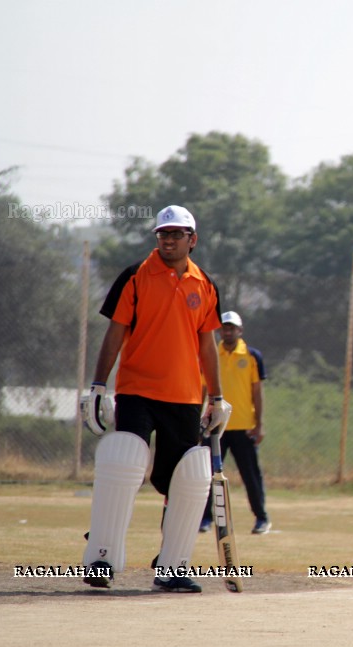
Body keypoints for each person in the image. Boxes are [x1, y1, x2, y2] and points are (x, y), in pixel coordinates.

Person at [80, 205, 230, 594]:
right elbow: (115, 332)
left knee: (185, 478)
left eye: (177, 234)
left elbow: (207, 345)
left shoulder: (204, 284)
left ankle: (172, 566)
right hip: (137, 389)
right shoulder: (135, 276)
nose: (168, 239)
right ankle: (102, 555)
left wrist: (216, 397)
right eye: (163, 233)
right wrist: (98, 385)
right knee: (123, 460)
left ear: (192, 240)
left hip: (184, 396)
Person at [200, 310, 271, 535]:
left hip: (243, 425)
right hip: (215, 426)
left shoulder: (251, 356)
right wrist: (197, 420)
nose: (228, 331)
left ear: (240, 330)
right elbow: (202, 388)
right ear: (220, 330)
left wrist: (259, 424)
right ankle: (205, 519)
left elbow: (257, 391)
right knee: (208, 475)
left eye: (232, 327)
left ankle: (261, 519)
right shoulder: (210, 353)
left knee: (251, 475)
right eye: (224, 327)